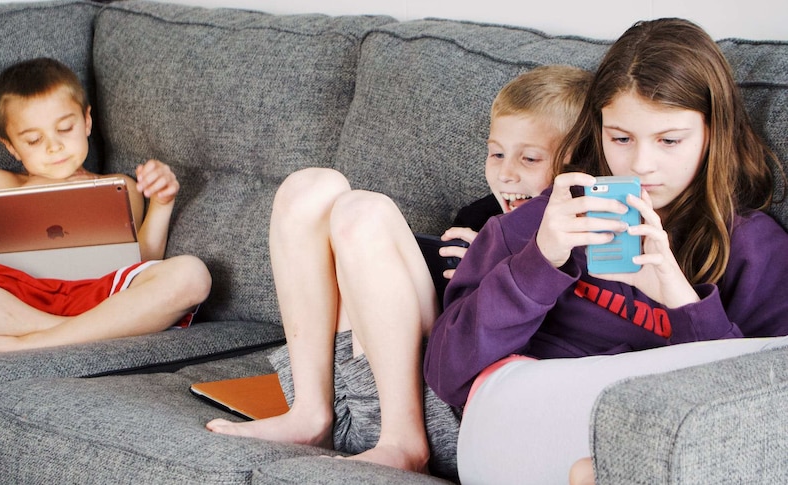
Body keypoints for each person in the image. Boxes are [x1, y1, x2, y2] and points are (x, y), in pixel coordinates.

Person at [422, 18, 788, 484]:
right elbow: (447, 372)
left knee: (609, 466)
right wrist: (540, 262)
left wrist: (683, 302)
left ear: (713, 133)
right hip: (515, 417)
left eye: (669, 140)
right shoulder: (541, 221)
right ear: (597, 130)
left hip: (658, 438)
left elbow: (761, 416)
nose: (640, 164)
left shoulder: (755, 248)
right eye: (620, 137)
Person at [205, 65, 593, 478]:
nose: (506, 173)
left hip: (444, 406)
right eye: (496, 153)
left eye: (529, 158)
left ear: (574, 163)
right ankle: (308, 415)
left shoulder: (579, 237)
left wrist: (490, 275)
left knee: (363, 212)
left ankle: (404, 443)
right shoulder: (479, 216)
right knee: (310, 186)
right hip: (352, 388)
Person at [0, 57, 211, 356]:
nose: (54, 147)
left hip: (99, 295)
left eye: (65, 128)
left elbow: (142, 260)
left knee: (192, 275)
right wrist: (34, 193)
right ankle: (76, 331)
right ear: (12, 147)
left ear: (87, 121)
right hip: (12, 298)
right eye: (34, 140)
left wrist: (162, 203)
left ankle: (24, 342)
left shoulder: (118, 186)